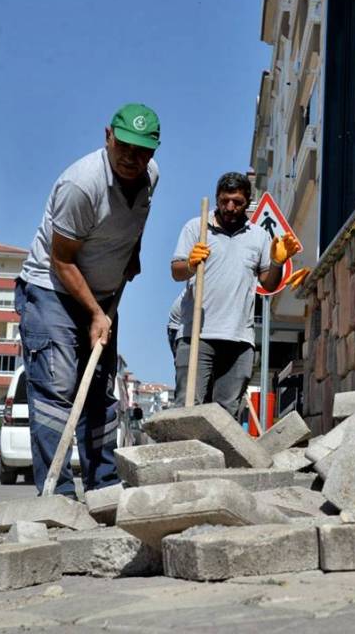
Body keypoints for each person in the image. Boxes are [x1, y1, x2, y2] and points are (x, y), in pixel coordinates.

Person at [15, 103, 161, 497]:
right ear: (108, 136)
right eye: (125, 148)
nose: (132, 159)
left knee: (99, 392)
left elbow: (136, 220)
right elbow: (61, 260)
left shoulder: (151, 177)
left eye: (143, 151)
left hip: (103, 294)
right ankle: (56, 495)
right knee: (57, 389)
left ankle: (103, 490)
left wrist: (133, 254)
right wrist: (95, 313)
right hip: (52, 292)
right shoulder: (82, 185)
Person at [170, 172, 300, 418]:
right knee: (188, 410)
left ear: (247, 201)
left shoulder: (258, 236)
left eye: (237, 202)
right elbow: (176, 271)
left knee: (225, 416)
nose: (230, 207)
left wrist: (277, 262)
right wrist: (190, 263)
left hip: (239, 339)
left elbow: (268, 284)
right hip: (197, 335)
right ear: (217, 198)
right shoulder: (196, 228)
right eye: (224, 200)